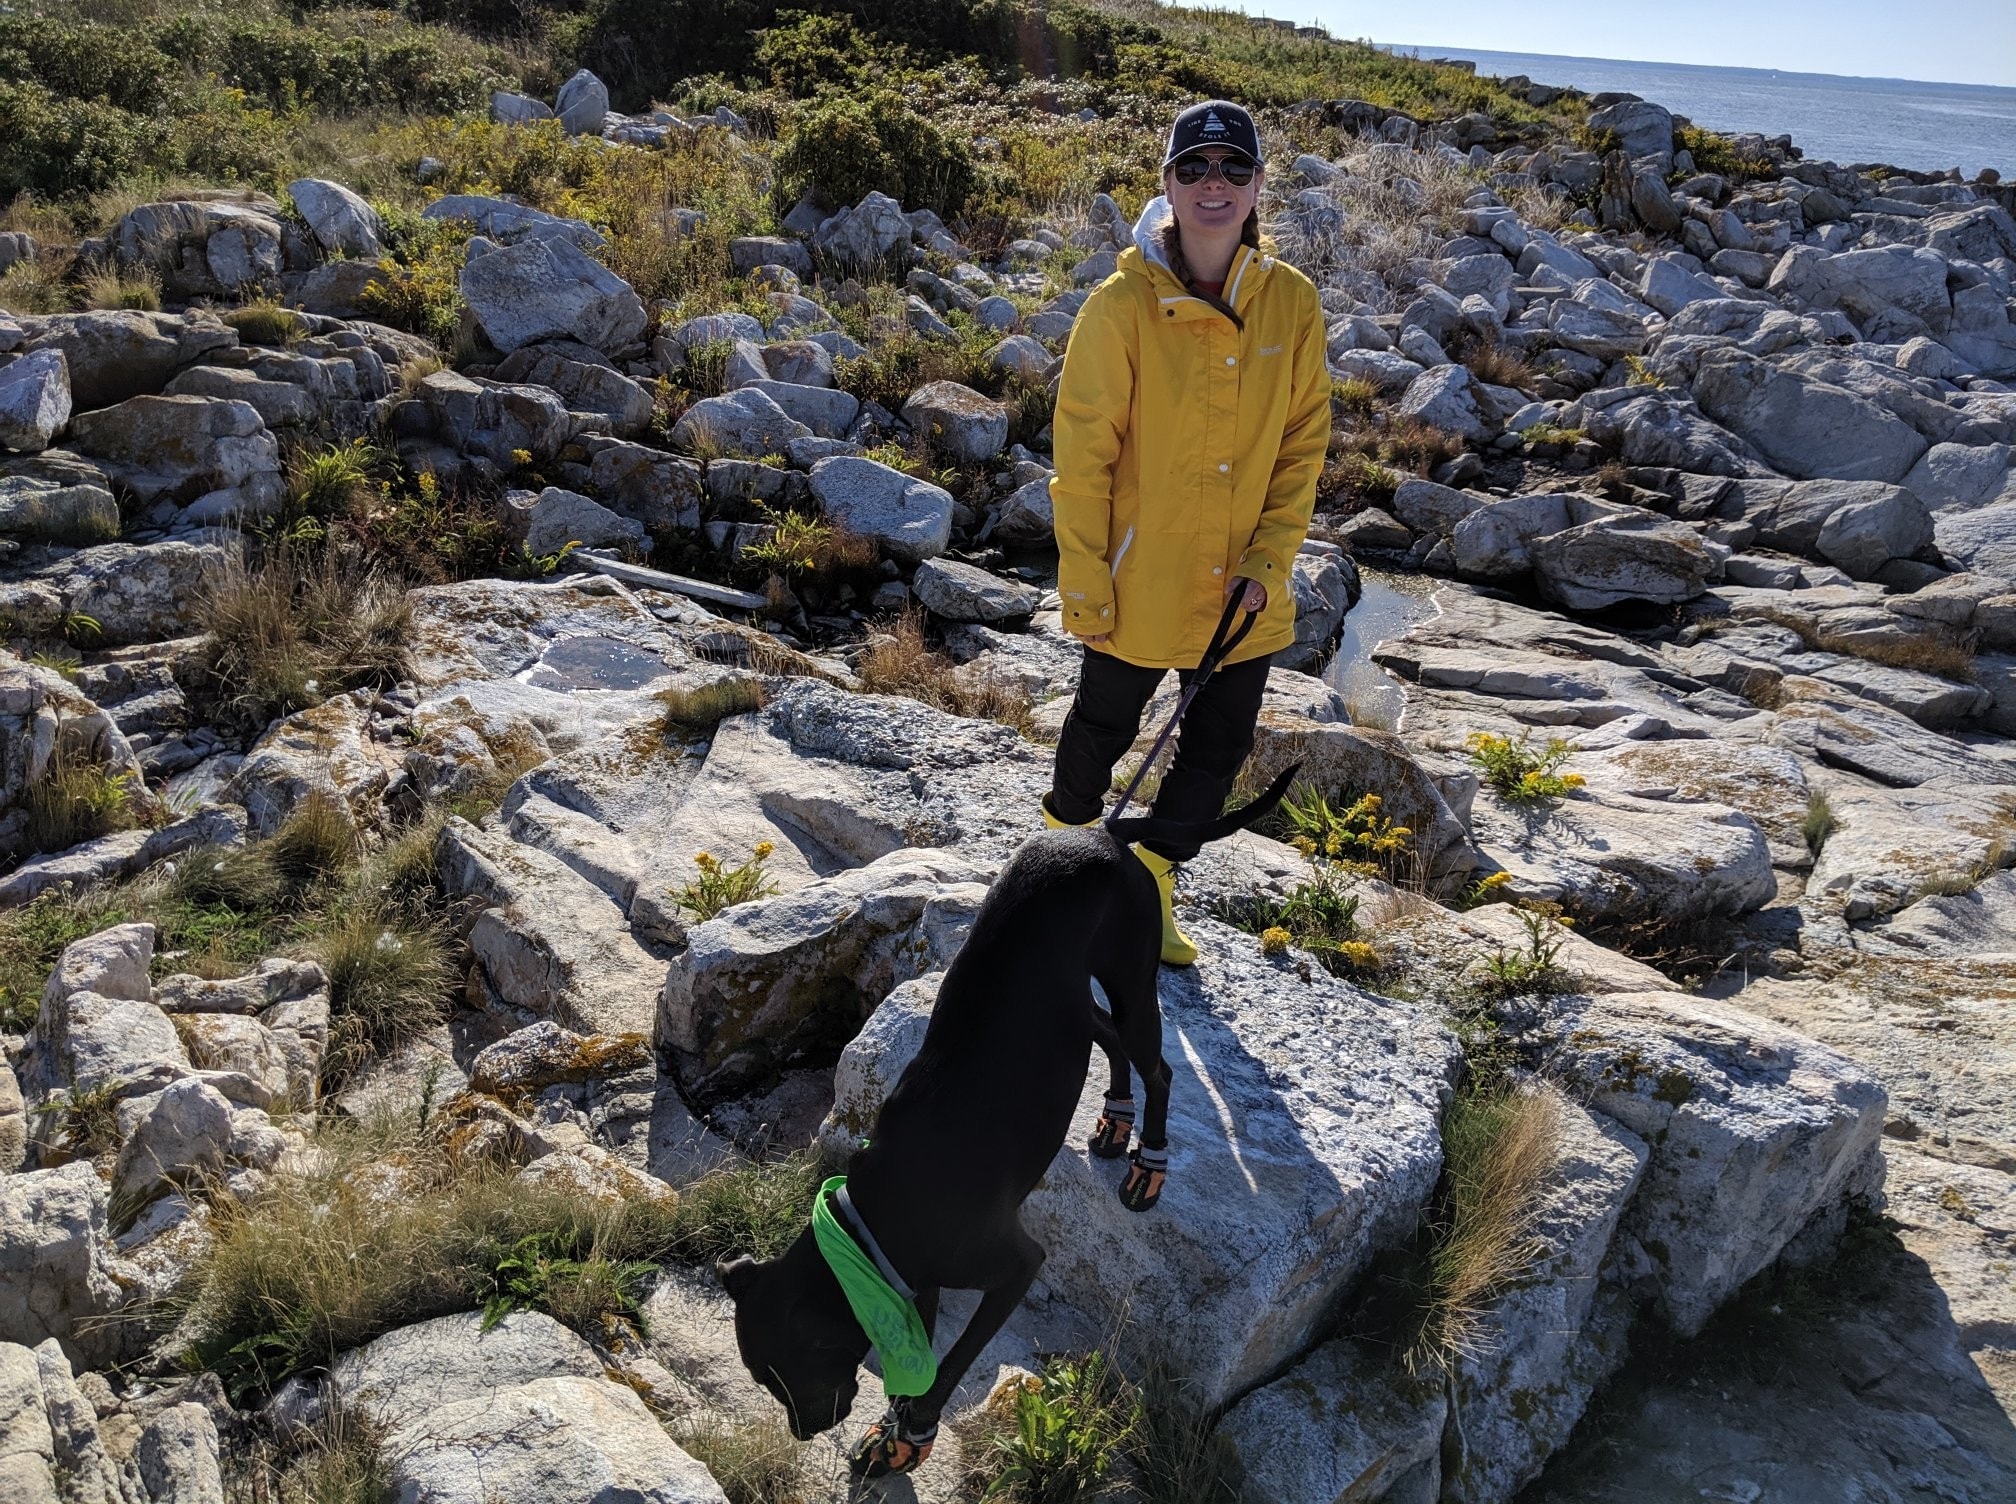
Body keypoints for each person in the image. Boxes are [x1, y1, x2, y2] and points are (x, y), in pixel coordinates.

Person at [1043, 98, 1332, 966]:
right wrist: (1086, 582)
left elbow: (1302, 445)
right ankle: (1057, 878)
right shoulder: (1119, 304)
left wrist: (1270, 560)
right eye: (1195, 168)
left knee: (1215, 752)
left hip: (1241, 592)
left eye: (1233, 169)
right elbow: (1082, 460)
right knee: (1099, 733)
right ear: (1167, 184)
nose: (1216, 185)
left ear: (1258, 187)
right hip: (1141, 579)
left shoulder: (1293, 302)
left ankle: (1152, 888)